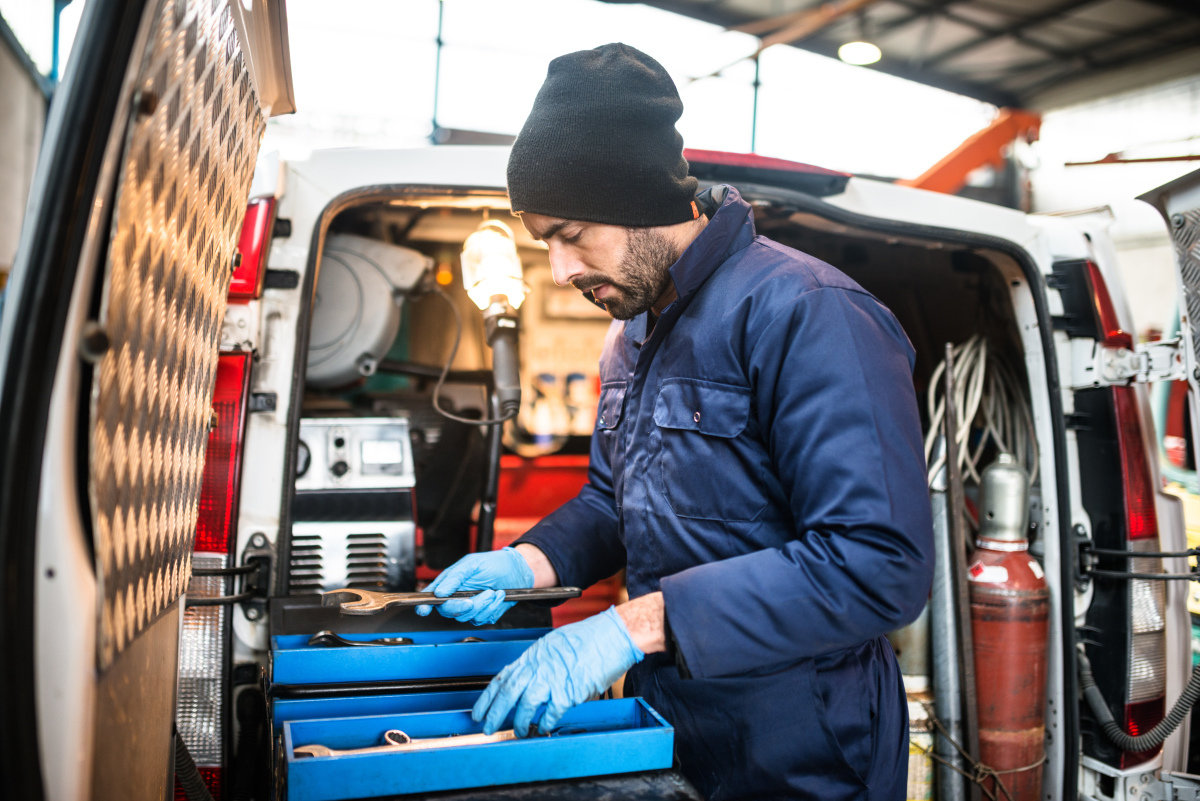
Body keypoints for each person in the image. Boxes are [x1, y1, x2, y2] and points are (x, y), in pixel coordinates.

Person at [416, 43, 934, 801]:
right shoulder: (630, 333)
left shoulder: (807, 312)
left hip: (807, 747)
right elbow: (611, 501)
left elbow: (878, 560)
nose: (559, 270)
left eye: (570, 233)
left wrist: (630, 628)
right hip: (674, 724)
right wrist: (531, 564)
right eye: (543, 243)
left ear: (639, 201)